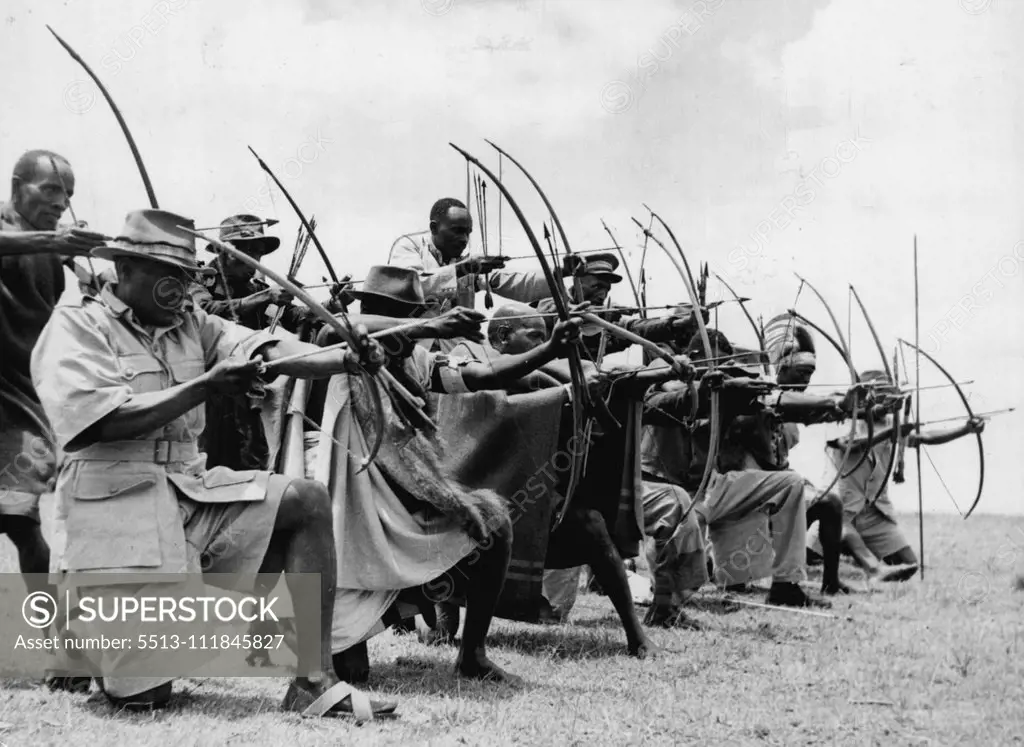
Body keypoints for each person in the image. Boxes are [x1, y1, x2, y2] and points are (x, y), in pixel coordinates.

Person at [31, 208, 397, 719]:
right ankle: (85, 639)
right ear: (125, 269)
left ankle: (312, 681)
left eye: (184, 276)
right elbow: (98, 422)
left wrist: (343, 357)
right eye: (167, 275)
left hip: (190, 495)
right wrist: (203, 387)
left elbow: (271, 349)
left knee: (304, 500)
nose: (179, 289)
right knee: (144, 699)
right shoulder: (79, 326)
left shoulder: (192, 325)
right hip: (116, 511)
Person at [309, 266, 586, 683]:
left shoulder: (416, 359)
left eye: (418, 314)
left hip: (401, 497)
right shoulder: (337, 348)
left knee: (492, 523)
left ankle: (472, 655)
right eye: (405, 315)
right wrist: (427, 323)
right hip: (348, 509)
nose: (415, 327)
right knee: (353, 672)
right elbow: (341, 328)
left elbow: (484, 375)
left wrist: (549, 349)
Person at [645, 328, 862, 608]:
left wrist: (836, 402)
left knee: (790, 483)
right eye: (715, 364)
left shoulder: (727, 388)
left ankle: (787, 586)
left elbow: (778, 401)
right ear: (694, 358)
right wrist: (709, 387)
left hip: (711, 488)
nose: (722, 370)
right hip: (670, 494)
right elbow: (673, 394)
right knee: (677, 585)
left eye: (725, 363)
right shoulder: (665, 375)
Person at [0, 150, 106, 616]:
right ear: (17, 185)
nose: (61, 201)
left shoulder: (52, 243)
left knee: (20, 520)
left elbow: (99, 281)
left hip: (24, 395)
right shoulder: (13, 230)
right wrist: (56, 240)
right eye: (50, 190)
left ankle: (54, 634)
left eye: (68, 195)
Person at [764, 315, 920, 586]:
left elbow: (820, 410)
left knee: (825, 507)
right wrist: (847, 405)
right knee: (826, 510)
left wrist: (871, 409)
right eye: (802, 374)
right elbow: (805, 408)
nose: (806, 382)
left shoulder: (803, 403)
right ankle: (861, 565)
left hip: (861, 509)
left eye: (810, 375)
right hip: (760, 487)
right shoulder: (769, 396)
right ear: (782, 368)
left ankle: (832, 582)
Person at [823, 370, 985, 578]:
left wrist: (964, 430)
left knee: (909, 564)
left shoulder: (890, 423)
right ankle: (864, 562)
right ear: (866, 396)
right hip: (839, 509)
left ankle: (856, 551)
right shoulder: (844, 417)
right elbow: (848, 445)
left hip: (873, 512)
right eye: (881, 396)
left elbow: (923, 437)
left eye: (891, 396)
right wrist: (889, 434)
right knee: (814, 553)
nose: (888, 402)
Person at [387, 197, 558, 350]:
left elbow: (512, 281)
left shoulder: (465, 262)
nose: (464, 239)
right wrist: (463, 269)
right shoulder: (410, 246)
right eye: (457, 230)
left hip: (454, 351)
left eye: (467, 233)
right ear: (434, 228)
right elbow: (411, 286)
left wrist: (561, 272)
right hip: (409, 348)